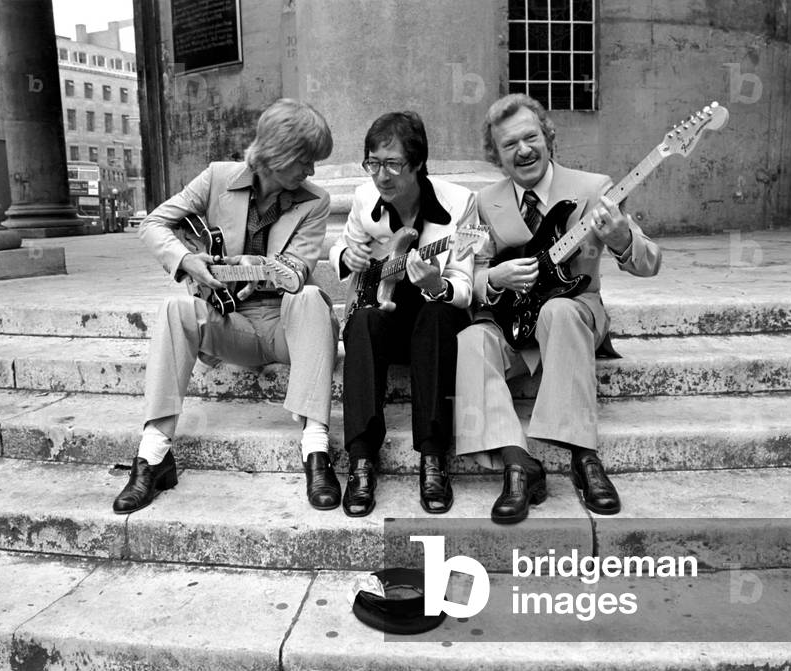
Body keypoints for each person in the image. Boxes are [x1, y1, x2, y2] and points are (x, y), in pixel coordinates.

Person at [112, 99, 341, 514]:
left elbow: (297, 271)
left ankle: (316, 449)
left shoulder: (314, 201)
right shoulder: (217, 178)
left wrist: (253, 266)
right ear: (279, 155)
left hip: (286, 329)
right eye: (306, 161)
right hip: (230, 323)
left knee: (309, 298)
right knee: (173, 309)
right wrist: (186, 260)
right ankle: (153, 454)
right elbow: (154, 223)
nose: (311, 172)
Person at [455, 94, 662, 524]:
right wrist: (494, 278)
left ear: (548, 138)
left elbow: (650, 262)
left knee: (560, 312)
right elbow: (468, 277)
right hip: (512, 321)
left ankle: (585, 458)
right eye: (510, 144)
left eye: (531, 137)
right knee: (472, 337)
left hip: (573, 312)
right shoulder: (481, 202)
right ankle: (518, 464)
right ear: (496, 155)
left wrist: (623, 239)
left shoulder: (594, 189)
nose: (524, 150)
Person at [330, 111, 478, 516]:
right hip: (387, 308)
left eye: (393, 164)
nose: (381, 176)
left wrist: (435, 284)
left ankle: (432, 458)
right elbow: (340, 252)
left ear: (418, 164)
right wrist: (348, 254)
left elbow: (464, 288)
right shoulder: (364, 199)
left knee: (436, 314)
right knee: (361, 321)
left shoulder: (461, 204)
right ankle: (361, 460)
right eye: (373, 164)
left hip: (435, 321)